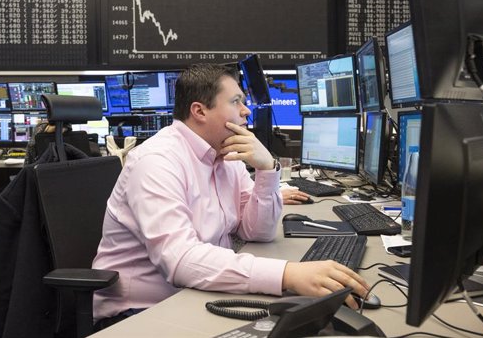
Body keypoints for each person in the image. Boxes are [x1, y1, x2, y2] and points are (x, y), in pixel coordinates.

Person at [91, 64, 370, 329]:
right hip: (140, 312)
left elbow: (257, 231)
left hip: (196, 293)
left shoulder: (226, 155)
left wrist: (267, 169)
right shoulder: (156, 162)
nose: (246, 111)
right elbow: (181, 261)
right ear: (200, 111)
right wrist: (288, 274)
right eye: (236, 101)